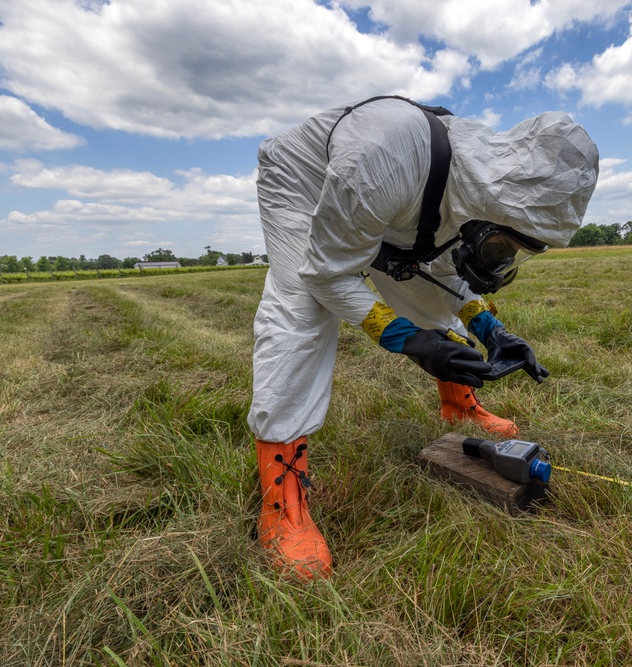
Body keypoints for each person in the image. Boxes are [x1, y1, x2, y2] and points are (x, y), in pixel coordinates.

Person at [247, 96, 599, 578]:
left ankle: (458, 405)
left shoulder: (472, 188)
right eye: (504, 245)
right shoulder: (383, 158)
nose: (502, 260)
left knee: (422, 291)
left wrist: (490, 329)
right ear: (493, 212)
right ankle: (280, 503)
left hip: (385, 201)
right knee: (301, 312)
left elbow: (435, 272)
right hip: (306, 181)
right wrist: (405, 338)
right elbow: (327, 275)